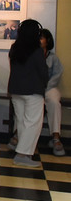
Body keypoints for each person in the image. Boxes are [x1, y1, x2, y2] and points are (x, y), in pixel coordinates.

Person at [7, 20, 49, 167]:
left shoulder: (14, 48)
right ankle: (22, 154)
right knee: (33, 123)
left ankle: (20, 149)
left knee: (21, 121)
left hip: (16, 90)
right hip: (33, 90)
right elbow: (43, 72)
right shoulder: (37, 50)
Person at [41, 28, 65, 156]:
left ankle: (56, 138)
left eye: (42, 38)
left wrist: (47, 87)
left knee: (54, 101)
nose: (39, 41)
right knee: (27, 101)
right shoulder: (32, 57)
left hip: (50, 88)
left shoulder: (53, 57)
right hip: (35, 89)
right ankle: (19, 134)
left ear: (48, 40)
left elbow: (57, 74)